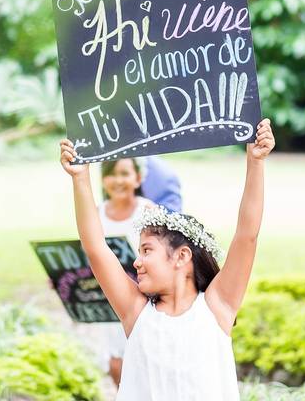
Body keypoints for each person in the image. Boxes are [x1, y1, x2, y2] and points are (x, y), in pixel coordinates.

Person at [58, 119, 275, 400]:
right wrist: (80, 178)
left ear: (181, 256)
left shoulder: (217, 307)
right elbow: (96, 247)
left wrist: (256, 163)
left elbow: (247, 235)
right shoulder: (135, 312)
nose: (136, 262)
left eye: (146, 250)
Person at [97, 158, 156, 386]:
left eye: (125, 173)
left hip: (144, 299)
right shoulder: (97, 213)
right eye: (112, 174)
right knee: (116, 362)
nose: (118, 180)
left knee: (144, 359)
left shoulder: (147, 210)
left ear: (138, 178)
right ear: (103, 180)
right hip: (109, 301)